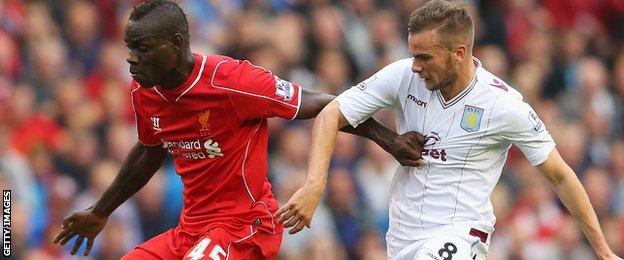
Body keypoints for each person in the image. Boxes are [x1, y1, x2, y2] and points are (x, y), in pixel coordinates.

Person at [52, 0, 425, 259]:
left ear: (177, 43)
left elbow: (322, 103)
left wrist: (388, 139)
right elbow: (150, 149)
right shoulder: (144, 90)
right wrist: (101, 211)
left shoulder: (232, 81)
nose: (132, 59)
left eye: (143, 48)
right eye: (129, 48)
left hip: (247, 226)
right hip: (190, 231)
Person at [276, 1, 623, 260]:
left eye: (425, 57)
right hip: (400, 237)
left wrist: (603, 251)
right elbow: (331, 113)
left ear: (459, 53)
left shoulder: (504, 106)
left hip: (460, 236)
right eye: (413, 54)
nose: (415, 65)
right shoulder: (403, 76)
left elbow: (560, 175)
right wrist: (314, 184)